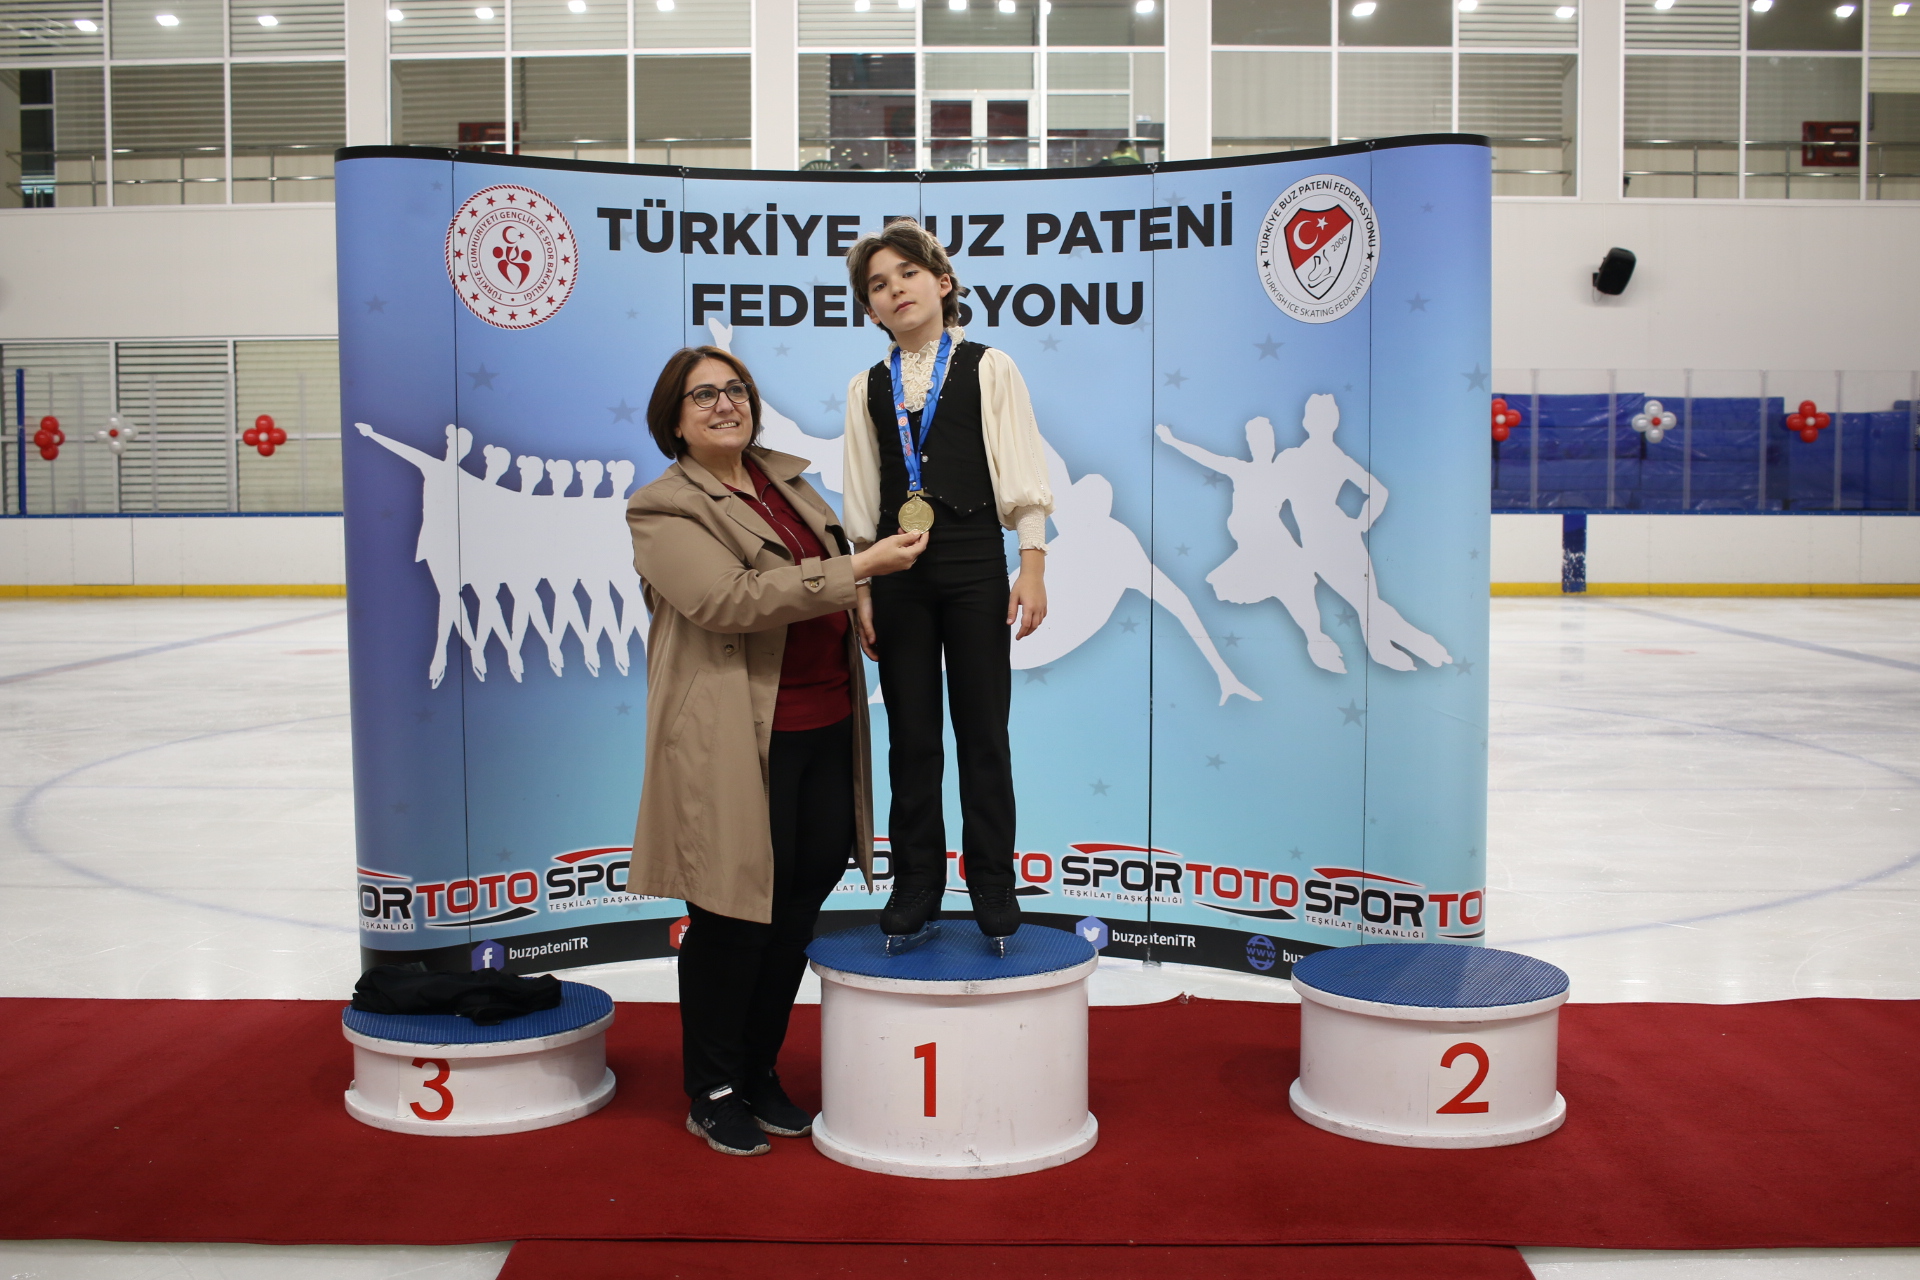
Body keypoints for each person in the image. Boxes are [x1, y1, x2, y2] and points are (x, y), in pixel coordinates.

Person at [625, 345, 927, 1157]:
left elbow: (824, 573)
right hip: (736, 741)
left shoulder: (786, 482)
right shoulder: (662, 508)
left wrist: (862, 595)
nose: (726, 404)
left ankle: (757, 1070)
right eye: (703, 396)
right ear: (674, 421)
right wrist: (858, 569)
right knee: (730, 918)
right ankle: (713, 1088)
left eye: (736, 390)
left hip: (824, 725)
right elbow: (728, 599)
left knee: (794, 911)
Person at [839, 220, 1054, 956]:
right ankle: (915, 884)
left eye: (907, 273)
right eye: (878, 284)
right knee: (911, 737)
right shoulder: (866, 387)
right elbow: (862, 495)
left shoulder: (990, 367)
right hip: (896, 575)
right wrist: (863, 588)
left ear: (943, 282)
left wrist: (1032, 564)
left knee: (984, 732)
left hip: (973, 568)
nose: (895, 290)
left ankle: (992, 882)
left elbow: (1021, 470)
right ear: (868, 307)